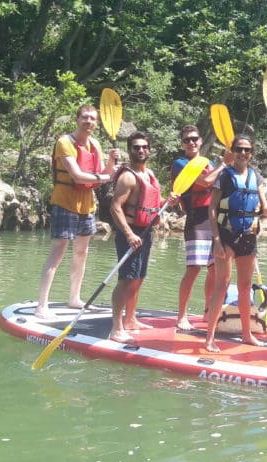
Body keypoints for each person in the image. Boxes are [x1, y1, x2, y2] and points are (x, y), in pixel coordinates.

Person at [34, 104, 120, 319]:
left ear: (96, 123)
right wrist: (108, 177)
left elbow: (102, 174)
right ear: (77, 119)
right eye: (85, 117)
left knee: (82, 252)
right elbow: (78, 176)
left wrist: (110, 161)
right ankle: (41, 305)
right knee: (57, 253)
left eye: (92, 119)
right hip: (64, 202)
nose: (88, 122)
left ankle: (74, 298)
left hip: (87, 205)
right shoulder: (65, 143)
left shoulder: (95, 145)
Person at [204, 134, 267, 352]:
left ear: (251, 153)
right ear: (233, 152)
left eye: (247, 150)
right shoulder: (225, 177)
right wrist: (216, 240)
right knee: (223, 284)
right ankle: (210, 338)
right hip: (226, 236)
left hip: (248, 236)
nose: (243, 153)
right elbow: (212, 209)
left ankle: (247, 334)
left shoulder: (256, 176)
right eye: (239, 149)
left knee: (246, 287)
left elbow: (264, 209)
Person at [108, 131, 177, 344]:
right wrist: (128, 235)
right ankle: (116, 328)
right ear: (130, 150)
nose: (140, 150)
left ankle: (130, 319)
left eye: (144, 147)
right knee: (126, 279)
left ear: (149, 150)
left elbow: (151, 203)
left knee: (138, 278)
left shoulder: (150, 174)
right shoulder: (128, 176)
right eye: (136, 147)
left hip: (146, 233)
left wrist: (168, 200)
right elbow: (115, 207)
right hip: (130, 232)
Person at [171, 125, 232, 330]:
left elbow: (218, 187)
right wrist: (224, 163)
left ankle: (208, 311)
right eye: (187, 140)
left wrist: (226, 165)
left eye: (194, 139)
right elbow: (205, 182)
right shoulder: (181, 164)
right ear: (182, 143)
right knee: (194, 268)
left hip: (213, 220)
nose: (191, 142)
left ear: (200, 140)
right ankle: (181, 316)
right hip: (196, 220)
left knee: (214, 269)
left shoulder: (209, 163)